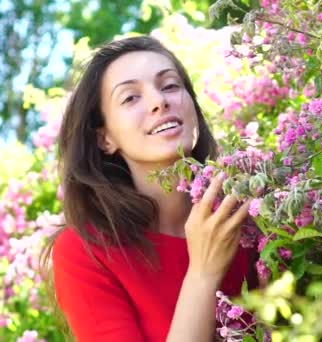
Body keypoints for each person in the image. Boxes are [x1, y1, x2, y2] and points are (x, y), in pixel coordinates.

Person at [42, 36, 258, 341]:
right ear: (105, 138)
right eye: (130, 98)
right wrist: (203, 274)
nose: (159, 101)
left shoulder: (248, 216)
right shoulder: (84, 252)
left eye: (170, 85)